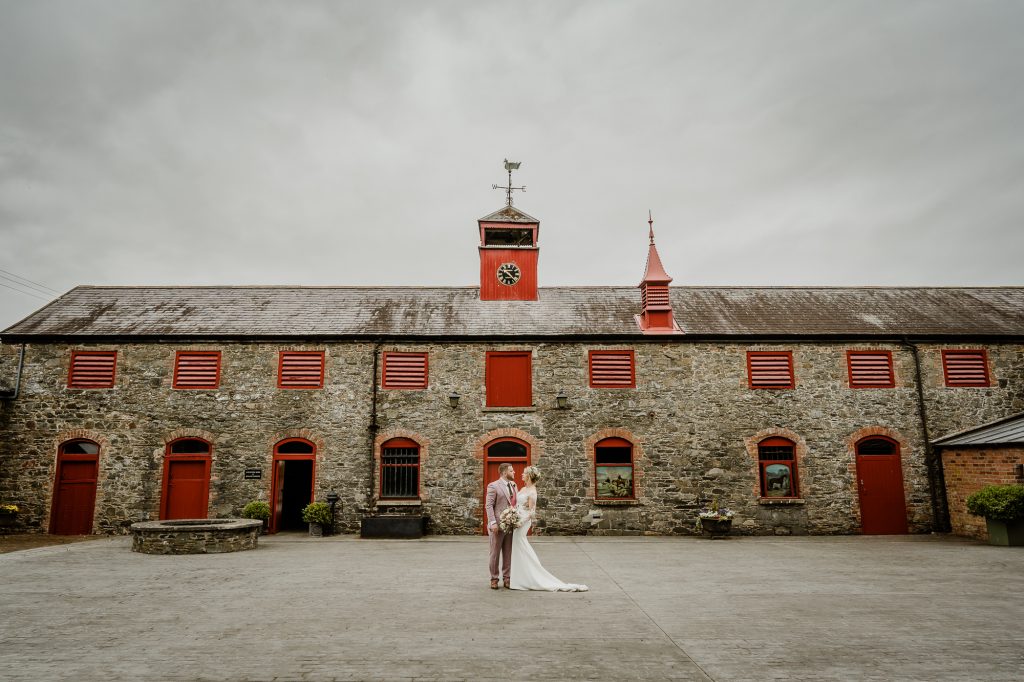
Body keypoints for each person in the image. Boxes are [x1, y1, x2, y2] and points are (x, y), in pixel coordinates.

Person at [509, 466, 589, 592]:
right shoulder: (523, 488)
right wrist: (512, 514)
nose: (522, 475)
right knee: (517, 546)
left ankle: (531, 574)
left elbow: (532, 512)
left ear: (529, 476)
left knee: (521, 544)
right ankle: (520, 577)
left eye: (524, 473)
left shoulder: (532, 492)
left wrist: (520, 522)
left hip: (523, 522)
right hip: (517, 519)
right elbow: (518, 504)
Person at [484, 462, 517, 589]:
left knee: (508, 553)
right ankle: (494, 578)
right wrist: (492, 522)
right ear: (504, 472)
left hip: (510, 525)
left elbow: (514, 504)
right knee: (495, 553)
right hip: (497, 525)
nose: (514, 472)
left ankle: (507, 578)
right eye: (511, 471)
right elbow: (489, 505)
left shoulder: (513, 485)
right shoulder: (493, 486)